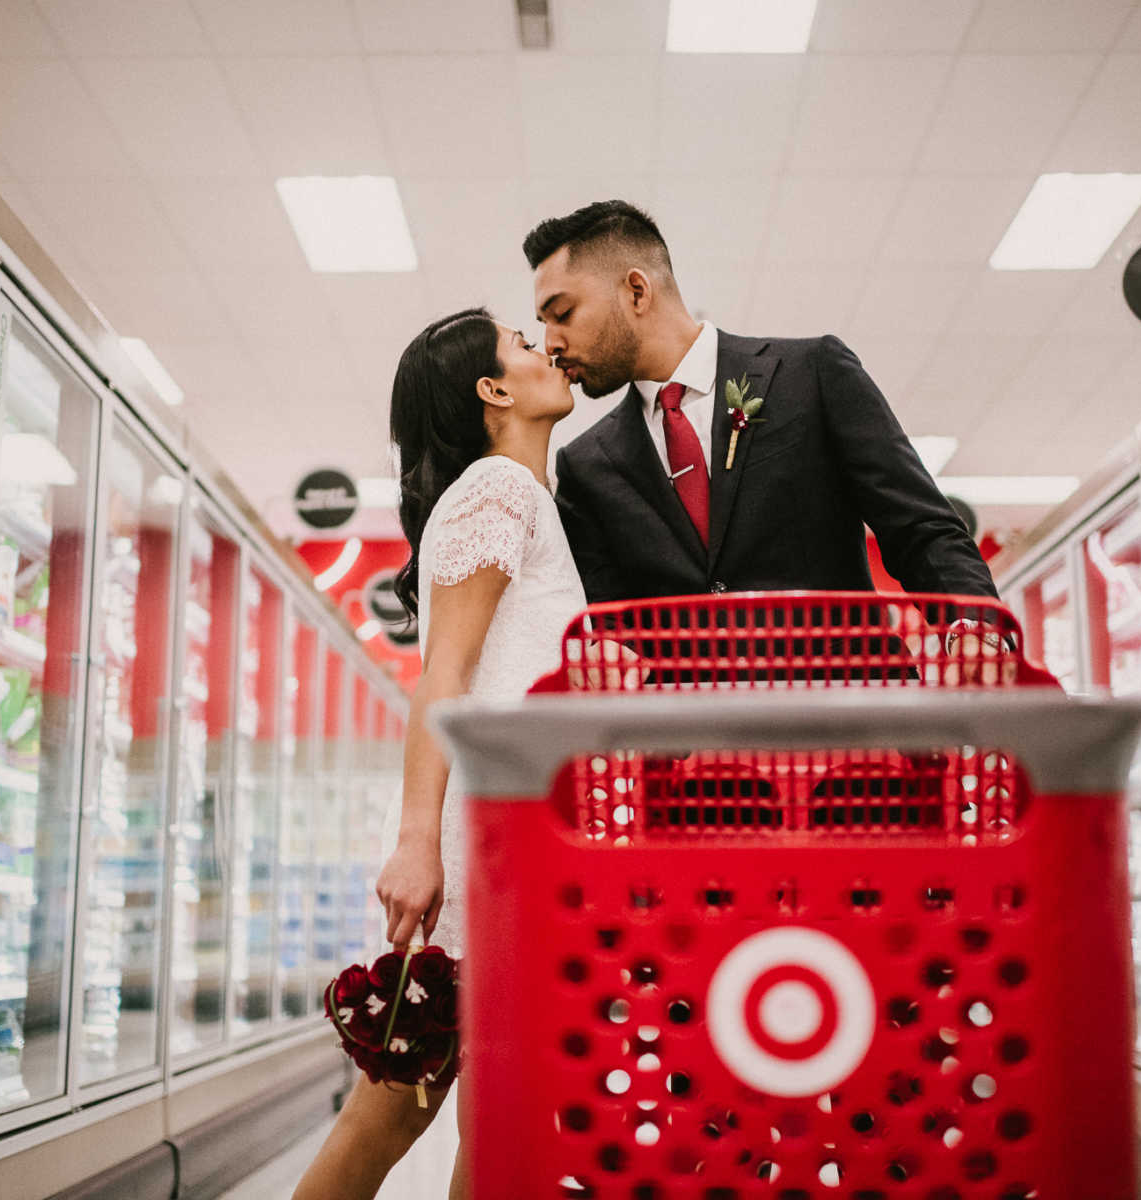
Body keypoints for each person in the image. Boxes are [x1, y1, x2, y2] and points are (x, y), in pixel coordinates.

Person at [290, 308, 583, 1200]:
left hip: (504, 836)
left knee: (442, 1104)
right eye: (525, 346)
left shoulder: (525, 497)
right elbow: (443, 677)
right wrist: (418, 842)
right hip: (482, 843)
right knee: (448, 1107)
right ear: (493, 391)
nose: (549, 349)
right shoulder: (497, 490)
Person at [528, 200, 999, 605]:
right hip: (686, 711)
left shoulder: (812, 373)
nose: (550, 343)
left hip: (842, 698)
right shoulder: (585, 466)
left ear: (637, 290)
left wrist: (974, 624)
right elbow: (610, 624)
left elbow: (920, 528)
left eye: (563, 314)